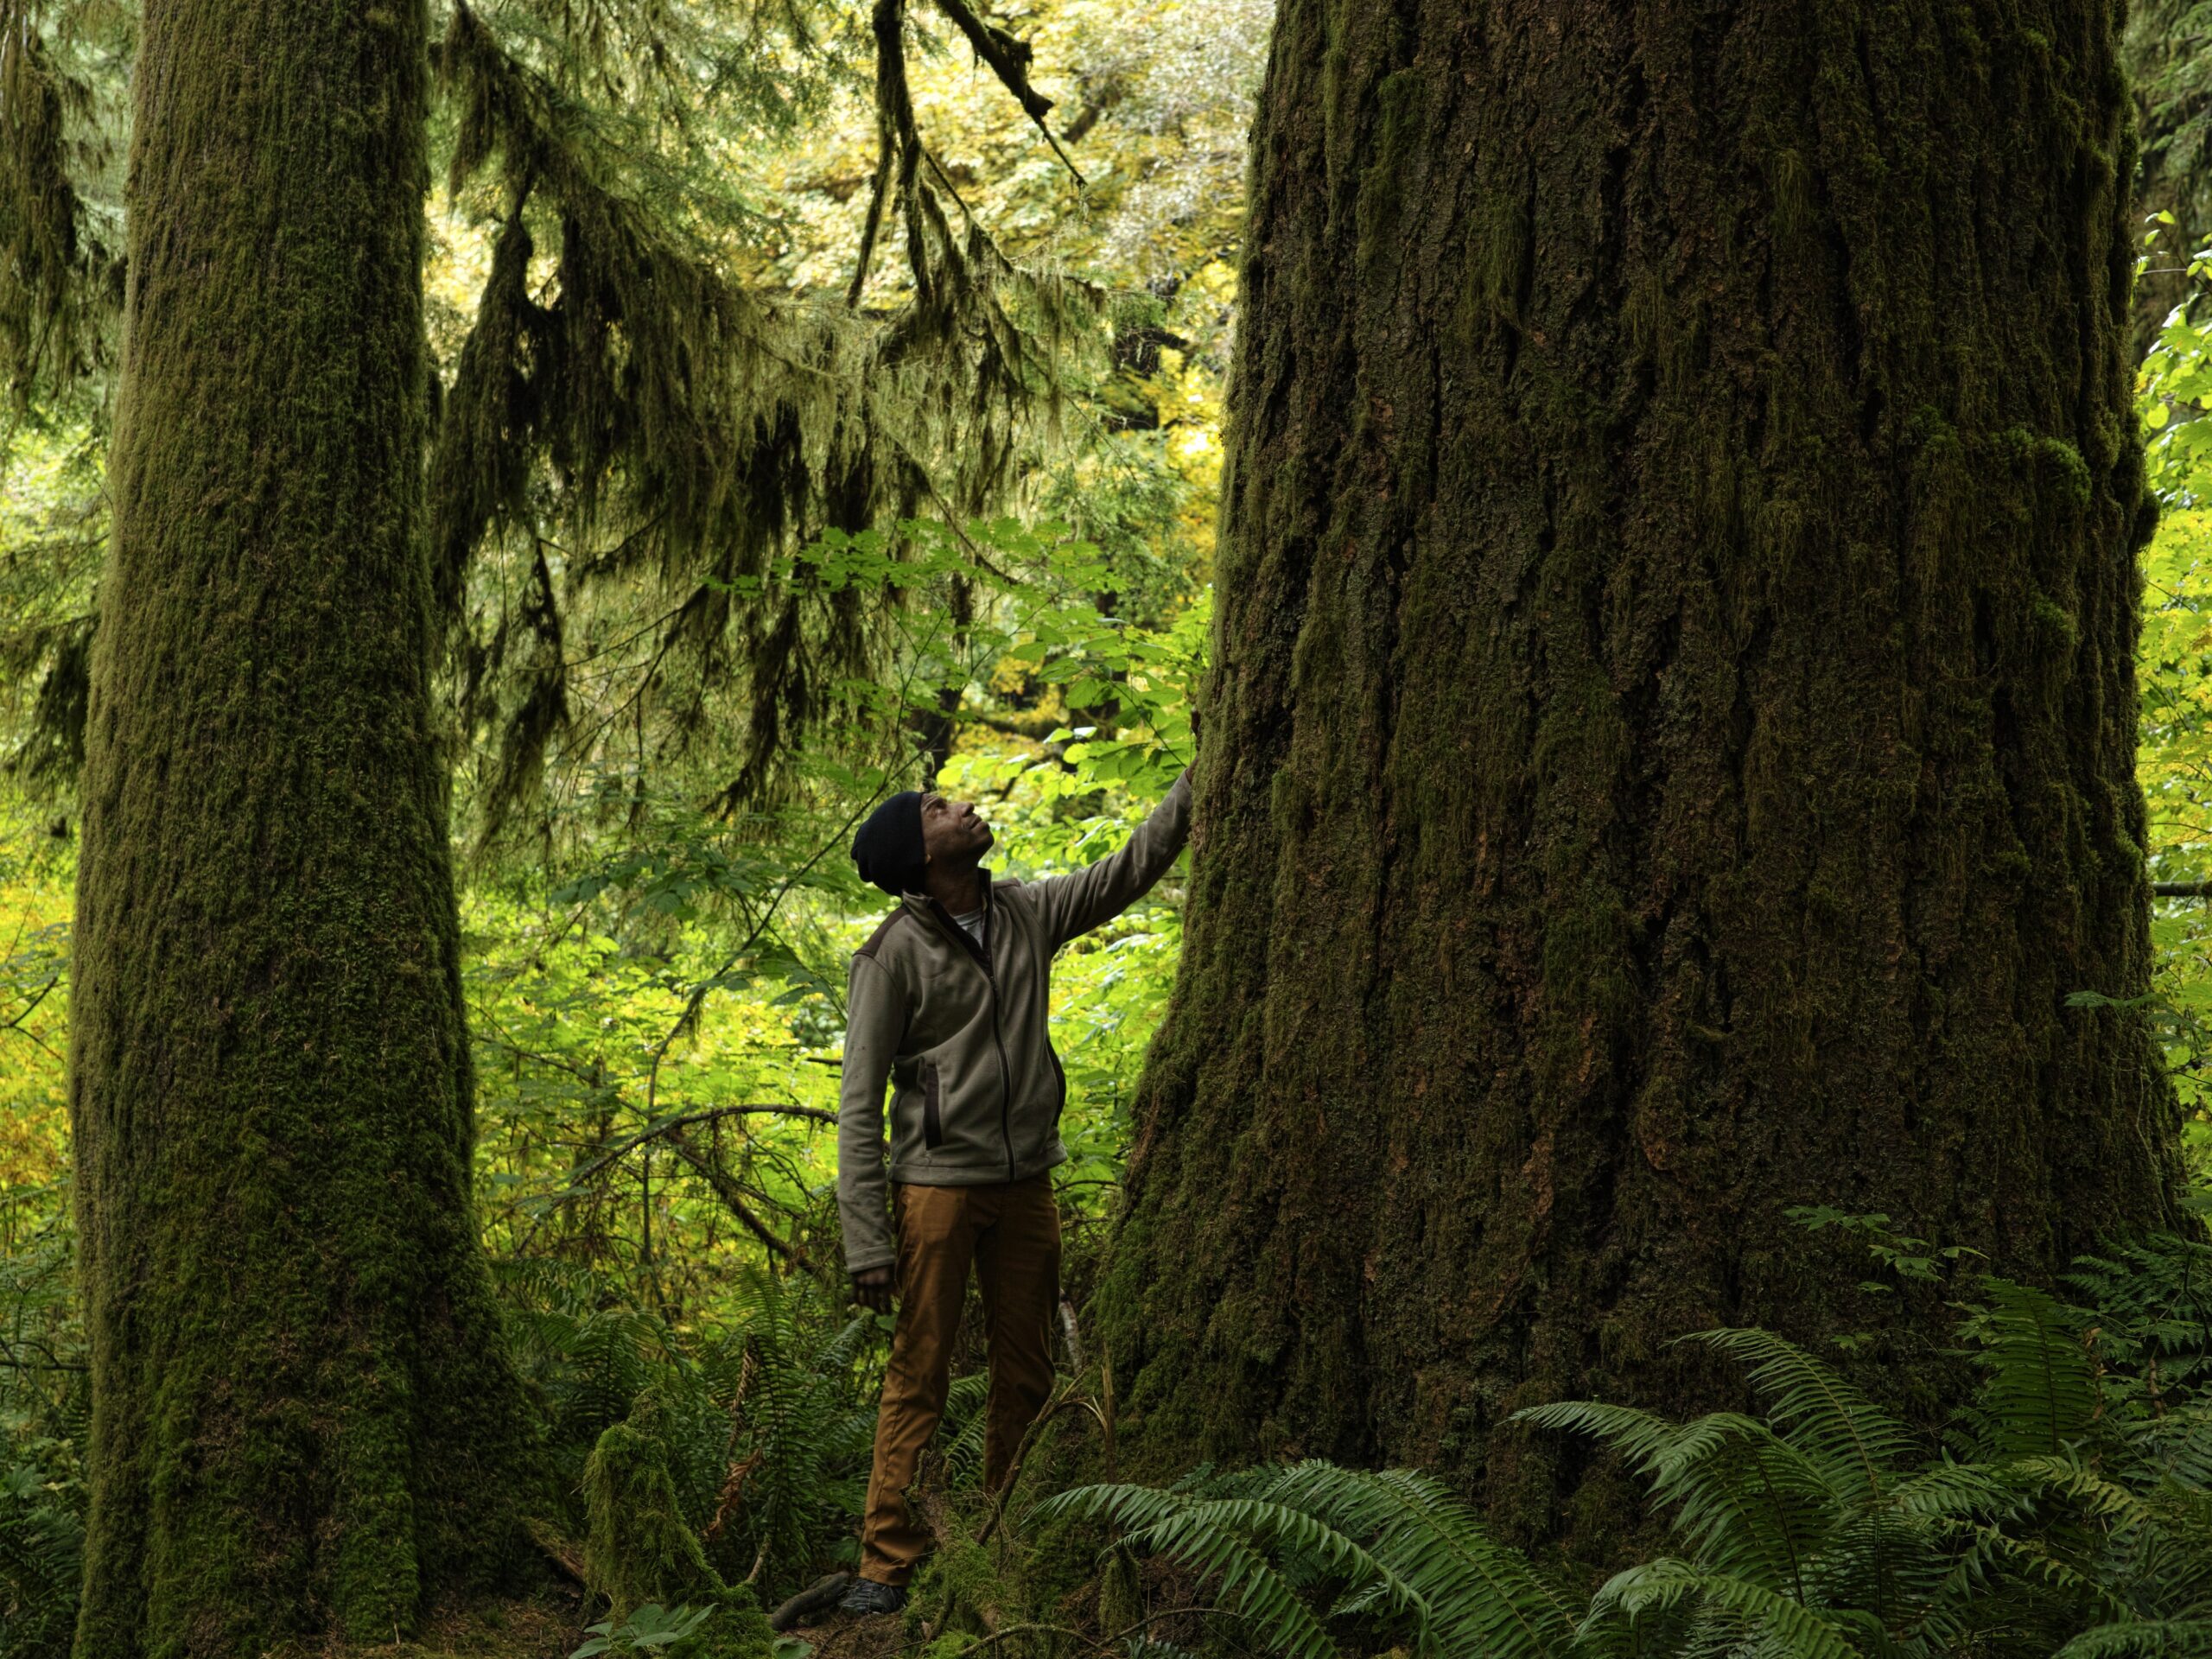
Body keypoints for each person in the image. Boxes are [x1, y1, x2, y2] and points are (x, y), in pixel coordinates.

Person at [834, 768, 1192, 1615]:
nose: (960, 806)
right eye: (937, 808)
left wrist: (1200, 775)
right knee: (919, 1369)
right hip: (936, 1190)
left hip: (1027, 1180)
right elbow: (856, 1103)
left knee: (1025, 1369)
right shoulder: (889, 957)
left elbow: (1129, 867)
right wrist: (868, 1241)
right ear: (918, 853)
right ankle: (884, 1562)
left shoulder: (1026, 912)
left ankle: (1007, 1530)